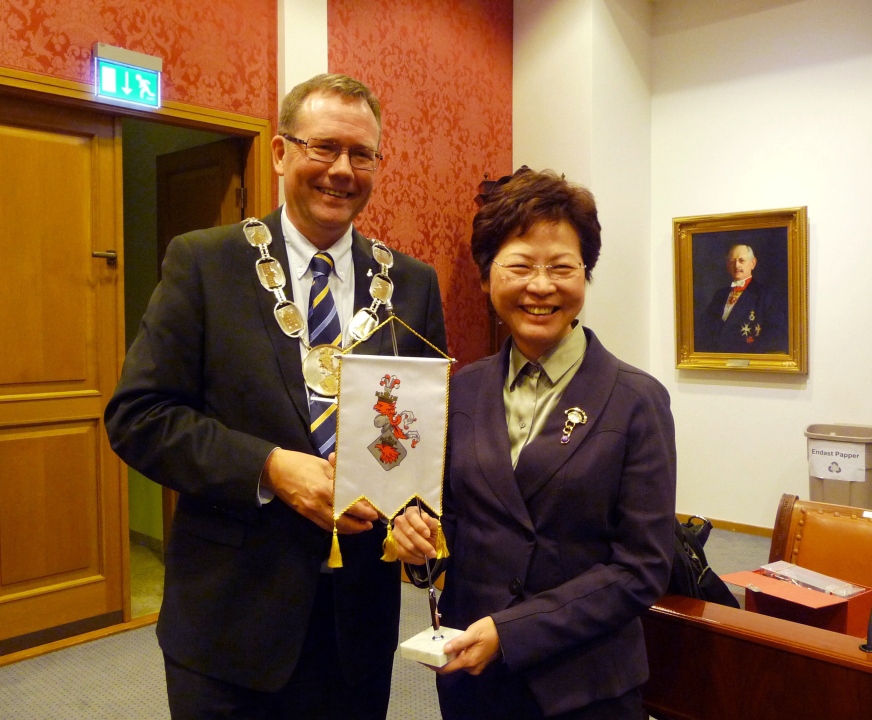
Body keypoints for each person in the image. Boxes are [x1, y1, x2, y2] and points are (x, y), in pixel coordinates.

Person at [104, 73, 447, 720]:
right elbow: (139, 417)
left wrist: (416, 510)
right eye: (324, 147)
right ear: (282, 152)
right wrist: (269, 468)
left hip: (357, 626)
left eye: (362, 154)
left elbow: (419, 434)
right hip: (229, 623)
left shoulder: (412, 284)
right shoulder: (204, 263)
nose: (342, 170)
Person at [391, 168, 676, 719]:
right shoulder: (462, 389)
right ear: (486, 278)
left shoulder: (636, 399)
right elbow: (452, 526)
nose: (541, 286)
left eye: (562, 267)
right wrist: (418, 542)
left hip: (583, 685)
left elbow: (642, 567)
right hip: (474, 677)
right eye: (520, 266)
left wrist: (513, 630)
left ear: (585, 275)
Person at [695, 243, 787, 353]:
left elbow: (776, 336)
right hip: (718, 357)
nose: (736, 265)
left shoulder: (766, 295)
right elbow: (705, 329)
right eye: (732, 261)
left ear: (753, 263)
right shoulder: (720, 295)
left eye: (741, 261)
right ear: (728, 265)